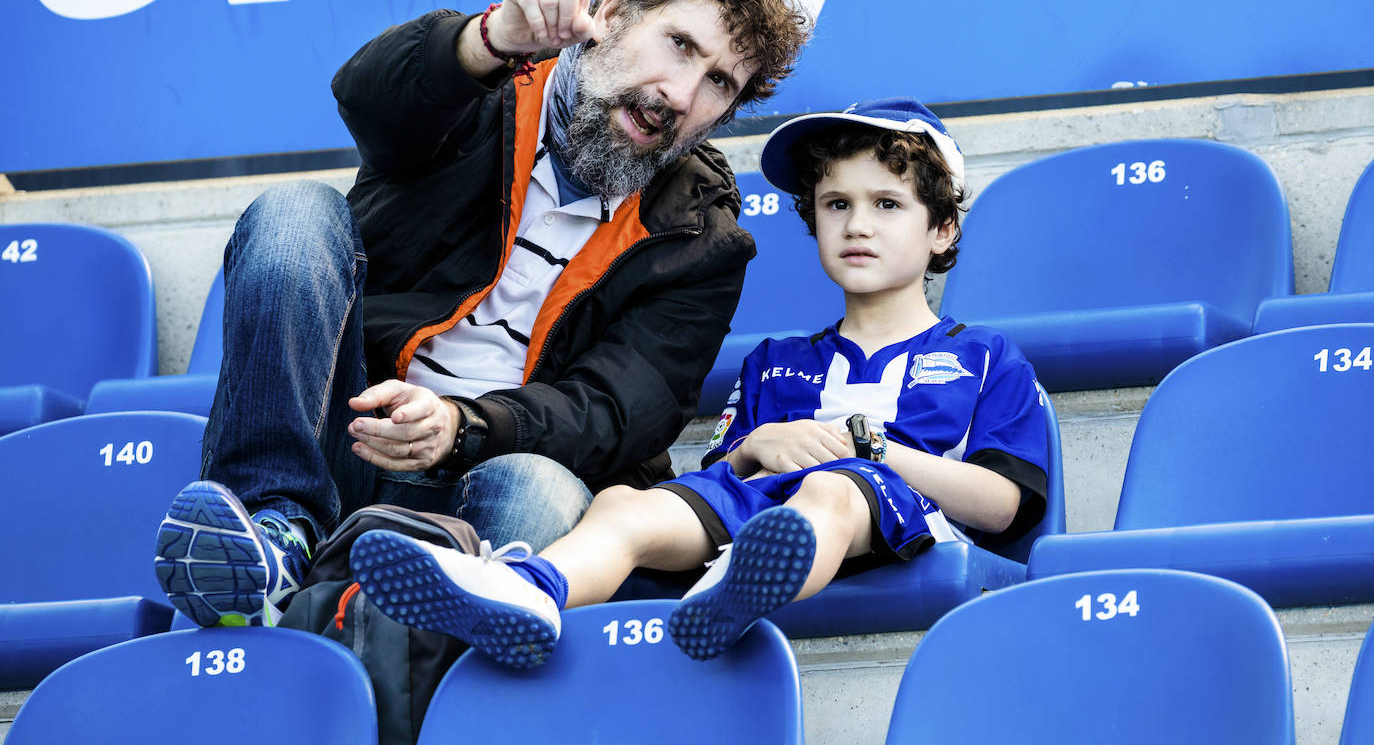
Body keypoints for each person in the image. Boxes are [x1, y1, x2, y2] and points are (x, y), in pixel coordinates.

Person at [153, 0, 812, 629]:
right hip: (352, 436)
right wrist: (489, 40)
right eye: (679, 45)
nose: (681, 97)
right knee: (292, 216)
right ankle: (274, 534)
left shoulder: (704, 234)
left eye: (719, 83)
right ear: (614, 9)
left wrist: (462, 425)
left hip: (501, 474)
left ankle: (412, 640)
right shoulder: (487, 81)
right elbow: (367, 98)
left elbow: (614, 414)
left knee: (539, 486)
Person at [344, 97, 1050, 664]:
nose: (857, 225)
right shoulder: (775, 360)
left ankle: (731, 591)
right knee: (624, 505)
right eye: (837, 204)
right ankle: (526, 590)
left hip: (896, 514)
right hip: (755, 513)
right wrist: (761, 443)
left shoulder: (988, 357)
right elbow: (721, 475)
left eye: (887, 205)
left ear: (944, 231)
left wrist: (866, 451)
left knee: (831, 491)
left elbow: (1002, 507)